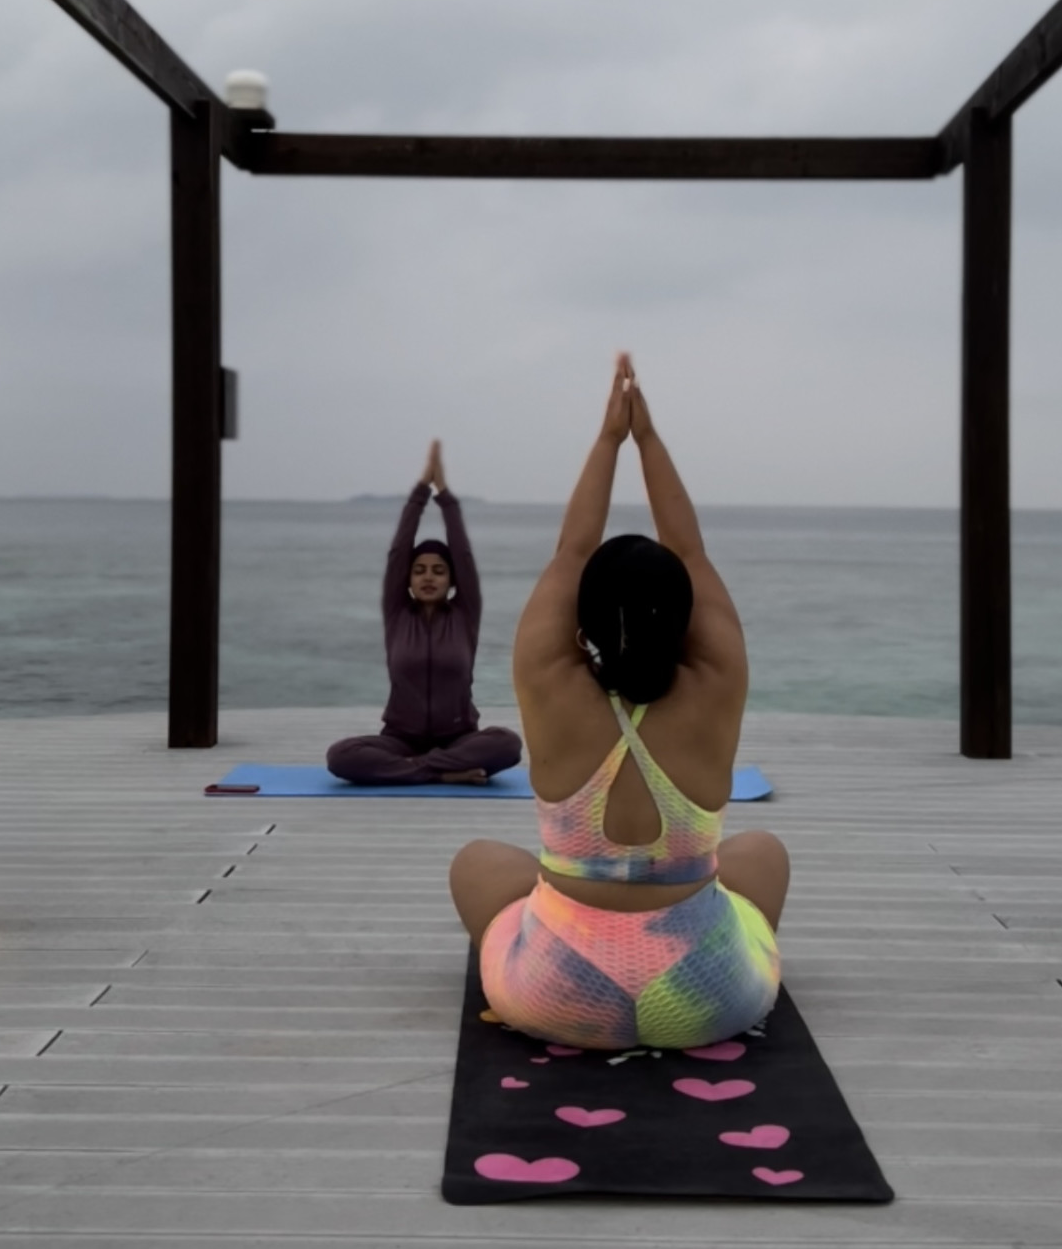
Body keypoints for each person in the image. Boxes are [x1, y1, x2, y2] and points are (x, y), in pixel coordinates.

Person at [449, 356, 790, 1050]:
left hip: (558, 994)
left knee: (481, 863)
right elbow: (689, 551)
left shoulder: (549, 679)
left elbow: (572, 552)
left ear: (582, 624)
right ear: (685, 617)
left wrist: (608, 438)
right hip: (709, 999)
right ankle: (704, 984)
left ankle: (536, 993)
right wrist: (649, 440)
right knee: (762, 854)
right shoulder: (717, 682)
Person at [326, 441, 522, 787]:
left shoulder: (464, 614)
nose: (428, 576)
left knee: (508, 744)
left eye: (438, 570)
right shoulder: (398, 613)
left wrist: (444, 494)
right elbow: (399, 550)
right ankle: (444, 774)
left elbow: (461, 552)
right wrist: (420, 492)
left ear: (451, 579)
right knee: (340, 756)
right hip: (400, 738)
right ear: (409, 579)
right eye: (419, 571)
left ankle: (414, 770)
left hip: (459, 738)